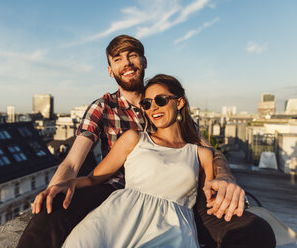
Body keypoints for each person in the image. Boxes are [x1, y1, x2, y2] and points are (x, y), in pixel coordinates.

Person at [16, 35, 275, 248]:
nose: (126, 63)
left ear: (143, 61)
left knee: (255, 231)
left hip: (180, 197)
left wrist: (226, 180)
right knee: (52, 210)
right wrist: (58, 186)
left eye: (132, 55)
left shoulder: (167, 102)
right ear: (110, 70)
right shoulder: (103, 107)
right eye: (117, 59)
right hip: (117, 192)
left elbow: (207, 151)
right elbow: (74, 161)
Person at [61, 74, 213, 247]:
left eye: (161, 100)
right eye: (147, 103)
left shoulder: (202, 154)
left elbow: (210, 197)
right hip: (115, 221)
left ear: (179, 102)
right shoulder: (134, 138)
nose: (153, 108)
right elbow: (93, 178)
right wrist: (68, 183)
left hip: (172, 232)